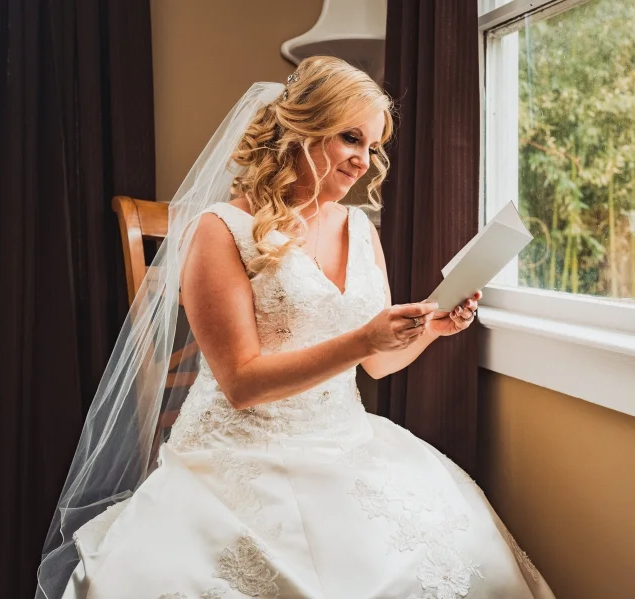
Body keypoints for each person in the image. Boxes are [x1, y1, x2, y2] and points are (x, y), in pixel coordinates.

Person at [36, 57, 554, 598]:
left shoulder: (360, 229)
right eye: (351, 138)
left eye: (374, 147)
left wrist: (429, 329)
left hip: (348, 441)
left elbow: (375, 364)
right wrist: (363, 338)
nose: (363, 161)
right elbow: (241, 383)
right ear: (302, 127)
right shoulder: (221, 230)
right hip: (240, 455)